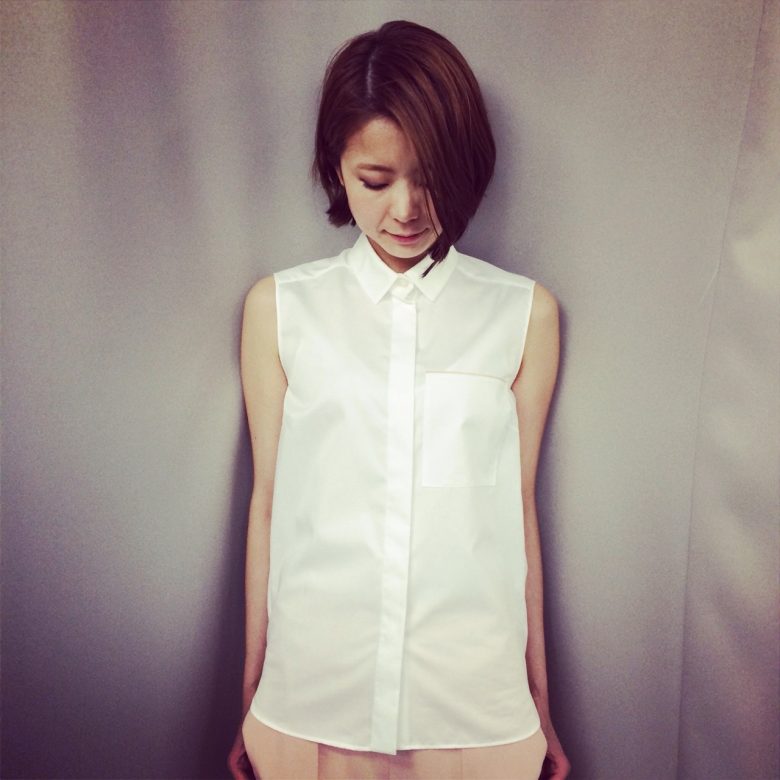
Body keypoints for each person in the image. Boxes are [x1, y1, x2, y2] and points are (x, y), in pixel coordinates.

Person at [228, 20, 569, 780]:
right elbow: (269, 504)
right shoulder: (279, 309)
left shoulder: (524, 315)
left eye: (431, 176)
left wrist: (541, 706)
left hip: (475, 711)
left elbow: (516, 515)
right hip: (310, 705)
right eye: (376, 181)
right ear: (337, 169)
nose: (407, 209)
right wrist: (252, 695)